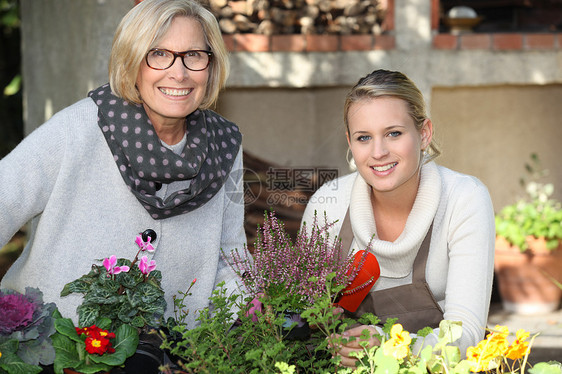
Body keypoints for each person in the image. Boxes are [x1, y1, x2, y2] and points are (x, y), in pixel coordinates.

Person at [0, 0, 245, 331]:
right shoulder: (77, 129)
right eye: (158, 54)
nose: (180, 72)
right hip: (54, 350)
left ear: (211, 66)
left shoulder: (224, 146)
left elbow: (230, 257)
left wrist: (247, 323)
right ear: (132, 63)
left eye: (194, 55)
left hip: (172, 355)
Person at [301, 69, 495, 366]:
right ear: (350, 143)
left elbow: (466, 334)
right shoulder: (328, 205)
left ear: (424, 134)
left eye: (394, 133)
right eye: (364, 137)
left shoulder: (464, 198)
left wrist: (388, 347)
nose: (378, 152)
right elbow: (304, 320)